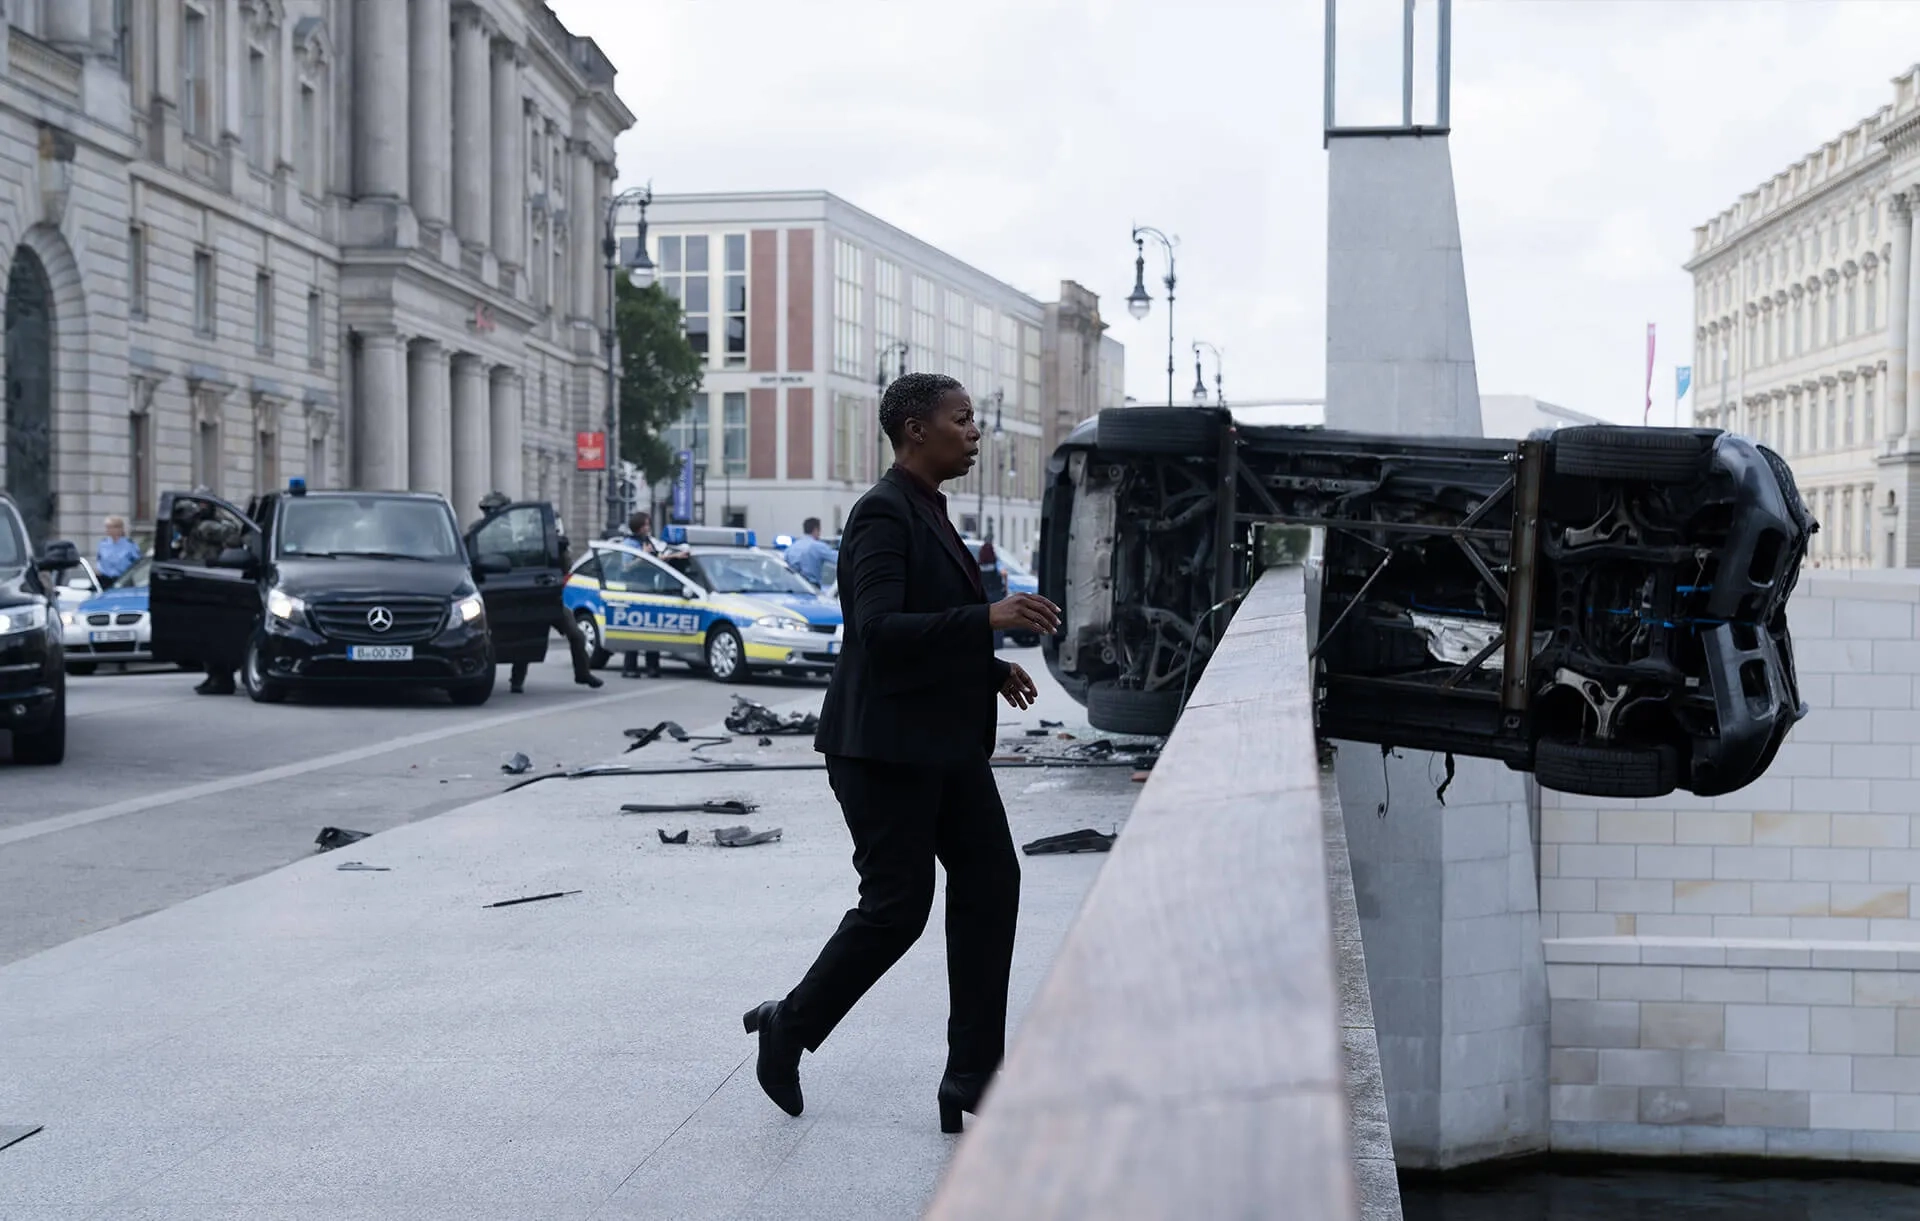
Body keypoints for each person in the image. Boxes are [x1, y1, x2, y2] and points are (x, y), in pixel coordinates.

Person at [741, 373, 1062, 1134]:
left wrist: (988, 667)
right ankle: (788, 1025)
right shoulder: (882, 513)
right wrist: (987, 617)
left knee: (991, 880)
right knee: (898, 906)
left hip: (942, 744)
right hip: (882, 748)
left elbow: (922, 623)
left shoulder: (933, 512)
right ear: (916, 430)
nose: (976, 431)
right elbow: (879, 631)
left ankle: (972, 1073)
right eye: (963, 418)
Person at [475, 491, 604, 695]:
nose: (491, 513)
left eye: (495, 509)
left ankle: (582, 672)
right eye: (489, 510)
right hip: (508, 594)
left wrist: (561, 551)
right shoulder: (481, 535)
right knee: (524, 635)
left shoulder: (524, 539)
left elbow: (562, 569)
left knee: (575, 635)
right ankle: (516, 680)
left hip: (543, 595)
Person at [619, 510, 664, 680]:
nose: (648, 527)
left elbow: (658, 559)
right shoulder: (630, 544)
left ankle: (652, 666)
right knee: (635, 628)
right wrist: (642, 556)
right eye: (645, 524)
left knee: (652, 628)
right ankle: (630, 666)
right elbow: (626, 567)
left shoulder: (649, 542)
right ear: (638, 527)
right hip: (635, 589)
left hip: (651, 588)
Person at [784, 517, 836, 586]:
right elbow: (839, 558)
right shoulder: (817, 546)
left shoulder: (791, 547)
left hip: (793, 587)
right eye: (819, 531)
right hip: (812, 587)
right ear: (815, 530)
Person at [96, 516, 141, 587]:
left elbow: (137, 563)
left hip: (123, 580)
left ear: (119, 529)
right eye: (107, 527)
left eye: (110, 527)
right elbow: (99, 560)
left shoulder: (130, 544)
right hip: (105, 580)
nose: (107, 530)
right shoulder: (103, 544)